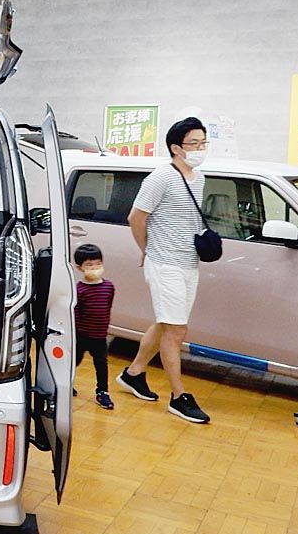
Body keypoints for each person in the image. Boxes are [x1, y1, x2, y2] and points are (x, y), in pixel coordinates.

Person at [117, 117, 211, 423]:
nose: (200, 148)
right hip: (164, 263)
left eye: (203, 142)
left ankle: (134, 373)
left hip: (188, 263)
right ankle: (178, 396)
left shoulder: (199, 178)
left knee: (167, 322)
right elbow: (136, 217)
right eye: (193, 143)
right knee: (176, 330)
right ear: (175, 148)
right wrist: (146, 249)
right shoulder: (160, 178)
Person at [73, 243, 115, 410]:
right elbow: (76, 314)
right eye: (89, 265)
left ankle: (103, 392)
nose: (94, 267)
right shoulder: (79, 289)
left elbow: (107, 307)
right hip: (81, 335)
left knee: (101, 364)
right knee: (73, 362)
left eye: (98, 263)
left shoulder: (109, 286)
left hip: (100, 336)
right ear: (80, 268)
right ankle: (64, 386)